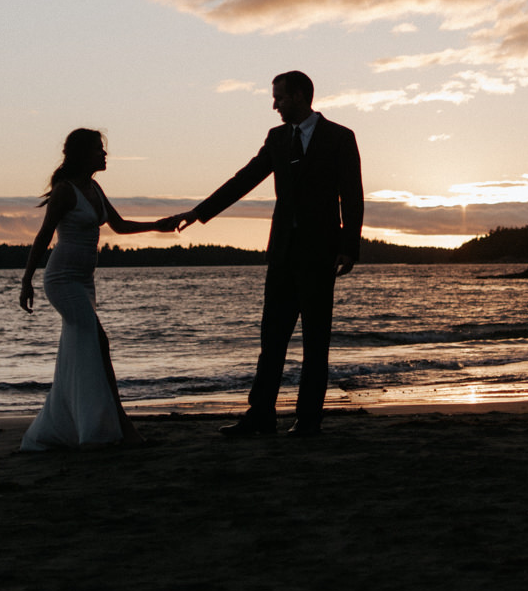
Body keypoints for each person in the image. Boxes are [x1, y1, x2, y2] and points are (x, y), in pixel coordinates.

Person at [175, 70, 363, 438]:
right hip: (281, 254)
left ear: (298, 95)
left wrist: (348, 248)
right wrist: (199, 213)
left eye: (279, 97)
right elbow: (245, 178)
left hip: (320, 254)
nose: (274, 104)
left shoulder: (340, 137)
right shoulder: (277, 139)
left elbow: (352, 196)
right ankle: (260, 416)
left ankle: (308, 421)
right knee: (272, 339)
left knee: (315, 342)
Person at [18, 128, 181, 450]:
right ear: (82, 154)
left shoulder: (94, 188)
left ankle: (72, 425)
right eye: (98, 149)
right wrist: (26, 281)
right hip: (62, 280)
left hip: (84, 281)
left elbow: (119, 226)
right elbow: (43, 236)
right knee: (99, 343)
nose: (104, 155)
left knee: (80, 353)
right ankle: (120, 423)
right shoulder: (66, 191)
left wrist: (157, 225)